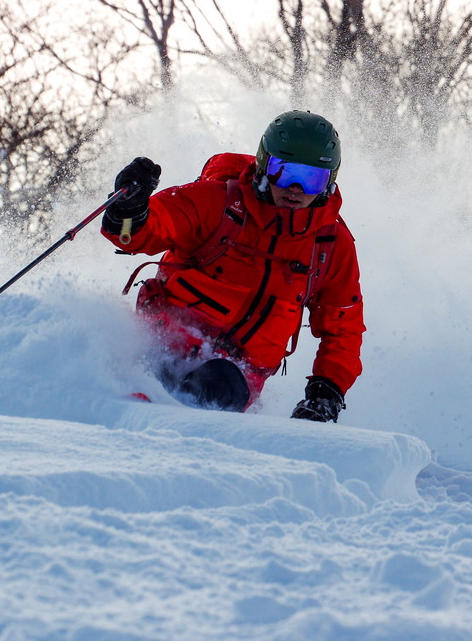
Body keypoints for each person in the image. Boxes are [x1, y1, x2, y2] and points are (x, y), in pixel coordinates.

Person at [101, 110, 364, 422]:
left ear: (328, 183)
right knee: (153, 369)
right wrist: (129, 210)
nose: (296, 188)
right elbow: (144, 231)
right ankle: (116, 412)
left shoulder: (330, 246)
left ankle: (174, 438)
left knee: (217, 384)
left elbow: (343, 326)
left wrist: (326, 392)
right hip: (164, 340)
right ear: (265, 165)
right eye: (284, 172)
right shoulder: (216, 203)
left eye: (311, 179)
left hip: (238, 373)